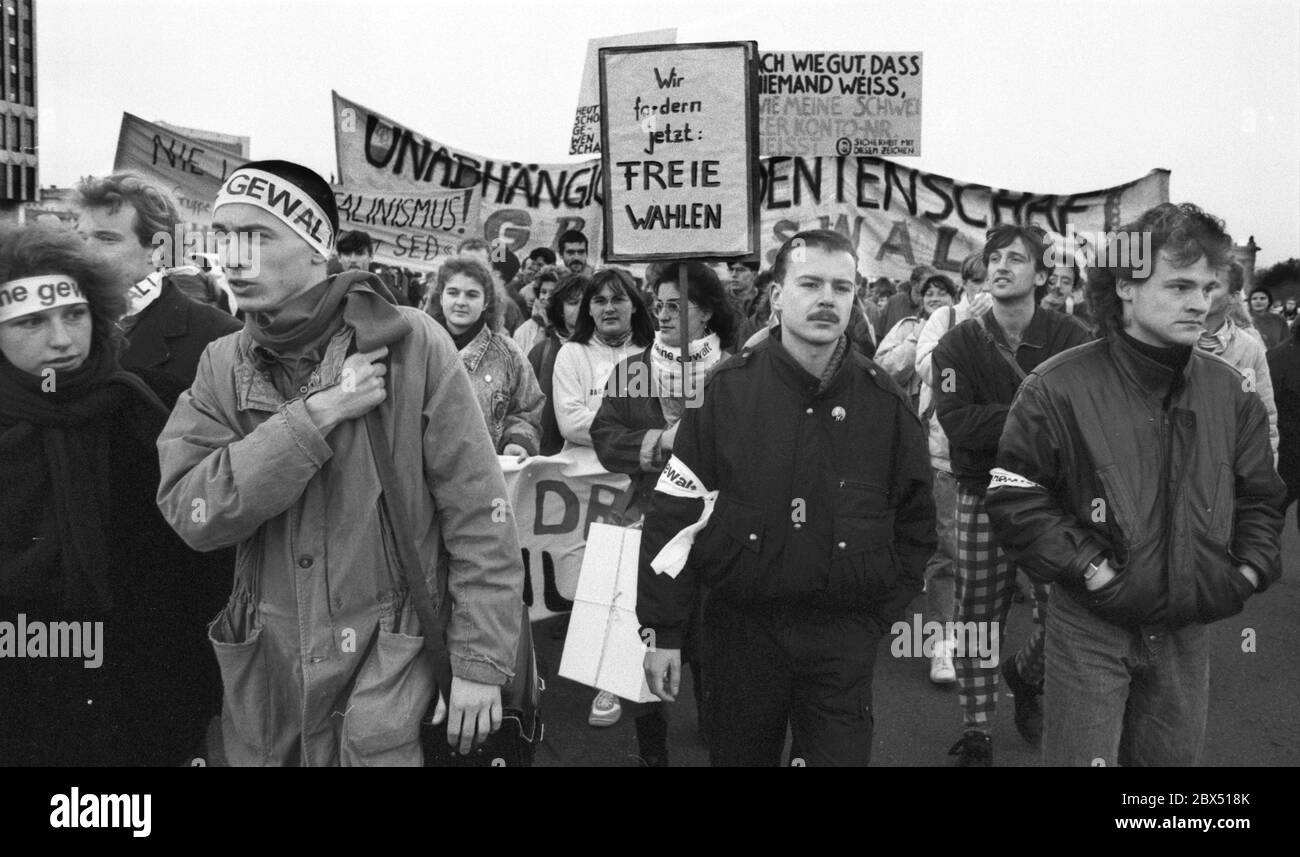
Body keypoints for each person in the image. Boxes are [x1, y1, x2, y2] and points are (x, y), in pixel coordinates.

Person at [156, 160, 524, 766]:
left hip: (390, 667)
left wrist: (480, 663)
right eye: (222, 237)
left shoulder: (411, 343)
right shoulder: (220, 364)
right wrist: (315, 417)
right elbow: (194, 514)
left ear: (317, 247)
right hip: (270, 679)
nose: (232, 257)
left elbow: (479, 511)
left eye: (256, 236)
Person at [985, 202, 1285, 766]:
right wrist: (1091, 570)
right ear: (1125, 285)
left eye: (1206, 286)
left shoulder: (1231, 391)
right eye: (1178, 285)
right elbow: (1015, 494)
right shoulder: (1057, 386)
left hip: (1187, 631)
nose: (1200, 302)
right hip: (1089, 628)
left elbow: (1263, 498)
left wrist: (1245, 571)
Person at [637, 230, 936, 766]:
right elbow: (673, 517)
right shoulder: (723, 393)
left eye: (841, 287)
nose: (827, 298)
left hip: (841, 640)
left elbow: (916, 528)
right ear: (777, 296)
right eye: (810, 283)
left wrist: (876, 616)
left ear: (856, 297)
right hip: (741, 635)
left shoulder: (885, 405)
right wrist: (663, 631)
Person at [0, 224, 228, 765]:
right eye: (31, 321)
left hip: (143, 709)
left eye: (74, 314)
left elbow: (206, 565)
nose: (61, 339)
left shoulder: (153, 407)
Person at [932, 225, 1092, 765]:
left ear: (1042, 274)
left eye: (1016, 259)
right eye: (994, 258)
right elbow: (959, 427)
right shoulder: (958, 342)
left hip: (1052, 503)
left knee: (1064, 613)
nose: (1000, 266)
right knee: (977, 616)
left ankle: (1025, 673)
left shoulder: (1073, 338)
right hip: (981, 497)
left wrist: (1003, 425)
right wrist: (1039, 420)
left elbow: (1084, 421)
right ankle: (977, 730)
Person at [590, 260, 737, 765]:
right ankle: (652, 752)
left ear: (709, 314)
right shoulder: (632, 371)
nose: (665, 314)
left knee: (713, 645)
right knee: (649, 640)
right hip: (648, 524)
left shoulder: (734, 372)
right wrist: (662, 442)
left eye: (678, 306)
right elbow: (606, 440)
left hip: (720, 532)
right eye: (660, 305)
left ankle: (720, 727)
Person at [551, 267, 654, 727]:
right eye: (598, 300)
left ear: (635, 304)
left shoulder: (653, 354)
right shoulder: (571, 354)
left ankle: (627, 676)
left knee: (635, 583)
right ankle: (601, 678)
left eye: (618, 299)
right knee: (592, 585)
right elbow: (568, 421)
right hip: (581, 487)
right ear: (588, 309)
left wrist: (612, 426)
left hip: (635, 483)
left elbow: (667, 418)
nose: (608, 308)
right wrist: (627, 427)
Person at [74, 172, 241, 406]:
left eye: (106, 239)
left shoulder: (222, 339)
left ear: (159, 251)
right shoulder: (55, 322)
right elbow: (44, 391)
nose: (84, 252)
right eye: (80, 238)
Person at [913, 253, 993, 685]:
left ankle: (975, 639)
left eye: (992, 281)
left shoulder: (1010, 323)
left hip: (996, 458)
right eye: (978, 281)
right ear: (965, 283)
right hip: (946, 454)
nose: (985, 290)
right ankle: (941, 646)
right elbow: (926, 369)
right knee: (947, 551)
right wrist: (967, 330)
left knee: (986, 557)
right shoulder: (945, 318)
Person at [425, 255, 543, 456]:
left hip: (486, 474)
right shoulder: (421, 349)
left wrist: (517, 441)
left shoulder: (509, 354)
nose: (461, 302)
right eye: (453, 293)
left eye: (472, 295)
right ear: (441, 297)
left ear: (486, 301)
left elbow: (527, 411)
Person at [1196, 260, 1279, 461]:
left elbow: (1265, 416)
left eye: (1211, 286)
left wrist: (1266, 473)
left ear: (1233, 298)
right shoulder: (1173, 340)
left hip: (1231, 465)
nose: (1200, 292)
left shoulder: (1250, 348)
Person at [875, 273, 959, 413]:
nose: (934, 299)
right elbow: (881, 370)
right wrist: (914, 340)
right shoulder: (908, 327)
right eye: (929, 294)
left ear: (953, 300)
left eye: (942, 294)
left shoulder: (962, 332)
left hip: (942, 417)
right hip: (904, 411)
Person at [528, 272, 588, 456]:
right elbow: (526, 408)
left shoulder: (605, 351)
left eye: (586, 303)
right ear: (560, 309)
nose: (581, 309)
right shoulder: (541, 352)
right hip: (548, 458)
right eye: (573, 303)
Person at [513, 265, 560, 356]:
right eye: (543, 292)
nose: (546, 297)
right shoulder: (523, 331)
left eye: (552, 293)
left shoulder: (566, 327)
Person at [878, 264, 935, 339]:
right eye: (928, 283)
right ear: (914, 283)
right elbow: (879, 331)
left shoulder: (933, 307)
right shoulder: (894, 301)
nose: (932, 286)